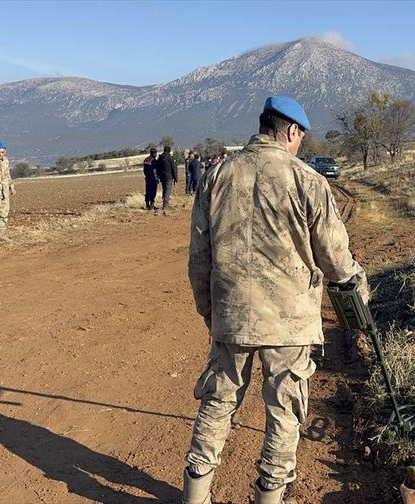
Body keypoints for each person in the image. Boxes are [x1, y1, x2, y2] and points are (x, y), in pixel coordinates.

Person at [182, 96, 368, 504]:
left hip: (231, 315)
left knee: (218, 402)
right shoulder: (307, 181)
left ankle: (195, 494)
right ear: (291, 131)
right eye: (301, 137)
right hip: (290, 321)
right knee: (284, 410)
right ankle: (269, 496)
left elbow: (199, 257)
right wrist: (359, 285)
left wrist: (209, 310)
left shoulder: (217, 177)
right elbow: (335, 260)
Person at [155, 145, 177, 211]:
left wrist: (158, 176)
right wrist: (176, 178)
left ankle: (164, 204)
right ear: (169, 151)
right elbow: (174, 168)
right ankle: (165, 206)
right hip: (169, 177)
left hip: (162, 177)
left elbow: (157, 168)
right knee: (167, 190)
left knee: (164, 190)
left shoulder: (160, 158)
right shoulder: (170, 158)